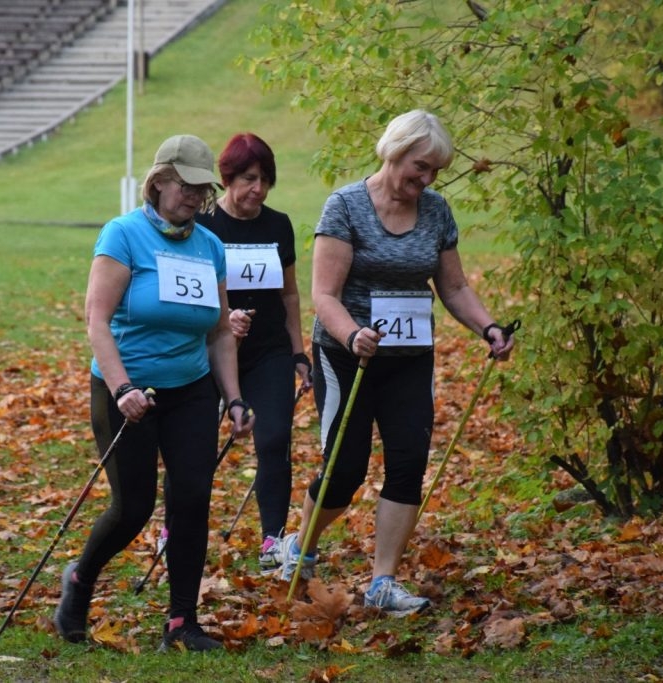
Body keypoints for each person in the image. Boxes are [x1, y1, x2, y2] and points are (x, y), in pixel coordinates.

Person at [278, 110, 515, 617]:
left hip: (409, 359)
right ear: (395, 150)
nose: (426, 180)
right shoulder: (345, 206)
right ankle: (301, 543)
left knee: (408, 463)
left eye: (434, 172)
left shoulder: (436, 211)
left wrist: (488, 328)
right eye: (420, 166)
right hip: (347, 357)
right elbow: (323, 294)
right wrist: (352, 334)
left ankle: (383, 582)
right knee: (345, 471)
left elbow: (452, 286)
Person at [53, 134, 255, 652]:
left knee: (192, 498)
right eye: (185, 185)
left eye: (201, 187)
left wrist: (233, 399)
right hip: (127, 388)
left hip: (189, 390)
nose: (193, 195)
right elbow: (97, 320)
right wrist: (121, 387)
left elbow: (217, 332)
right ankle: (80, 578)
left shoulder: (210, 246)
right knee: (133, 505)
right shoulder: (123, 235)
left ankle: (180, 622)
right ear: (160, 180)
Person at [195, 132, 311, 574]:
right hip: (209, 350)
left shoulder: (277, 225)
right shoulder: (204, 227)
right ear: (227, 178)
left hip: (268, 353)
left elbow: (291, 295)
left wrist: (299, 354)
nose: (257, 189)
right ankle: (177, 531)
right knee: (194, 447)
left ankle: (272, 539)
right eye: (247, 178)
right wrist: (223, 320)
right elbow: (189, 298)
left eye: (264, 180)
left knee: (275, 439)